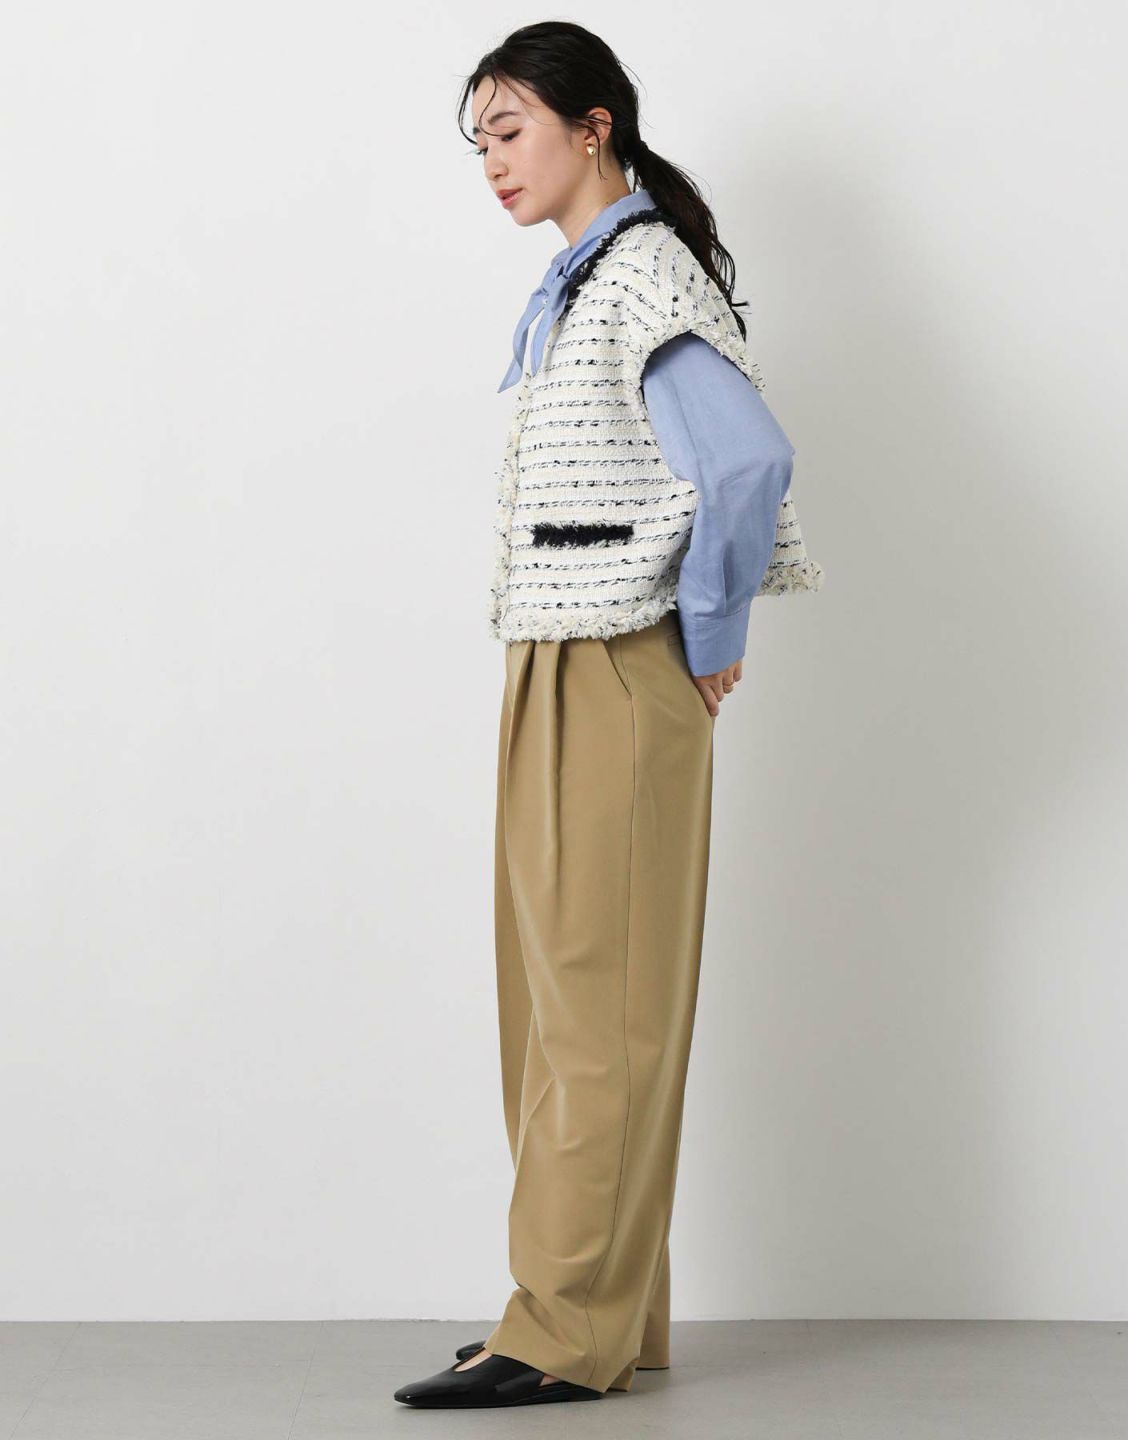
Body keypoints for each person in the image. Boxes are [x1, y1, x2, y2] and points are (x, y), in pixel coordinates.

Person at [395, 20, 823, 1411]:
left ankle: (559, 1330)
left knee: (597, 1012)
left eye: (510, 129)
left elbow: (746, 460)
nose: (492, 162)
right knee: (560, 1008)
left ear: (594, 127)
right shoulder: (589, 278)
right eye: (479, 140)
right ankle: (601, 1313)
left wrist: (713, 630)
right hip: (558, 659)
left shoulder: (642, 272)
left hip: (618, 662)